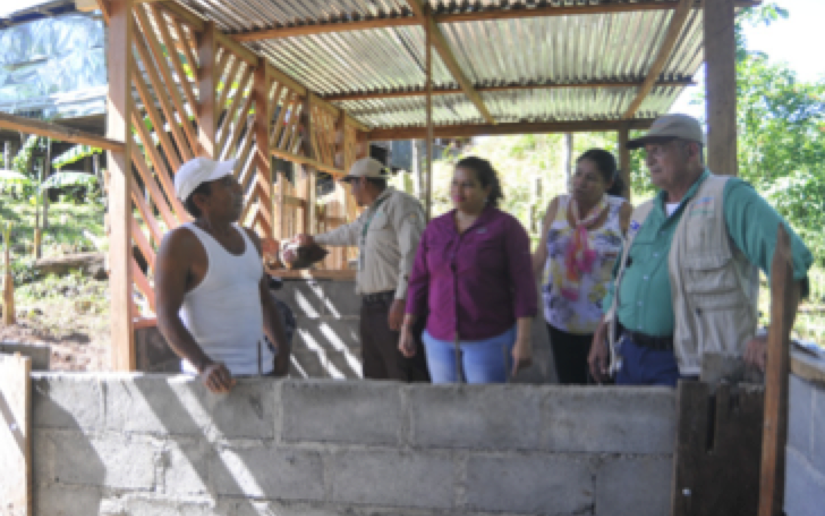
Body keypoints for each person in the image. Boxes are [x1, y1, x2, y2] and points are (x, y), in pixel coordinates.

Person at [588, 114, 813, 387]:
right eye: (647, 153)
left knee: (684, 431)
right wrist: (602, 332)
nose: (648, 161)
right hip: (630, 356)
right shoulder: (643, 213)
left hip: (692, 366)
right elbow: (618, 279)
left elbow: (791, 265)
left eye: (658, 151)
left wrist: (775, 335)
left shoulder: (728, 196)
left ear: (691, 151)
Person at [155, 157, 290, 394]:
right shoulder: (181, 243)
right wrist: (204, 366)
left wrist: (281, 349)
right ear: (201, 200)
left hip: (262, 369)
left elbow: (265, 301)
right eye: (227, 184)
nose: (239, 189)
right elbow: (166, 315)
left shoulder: (250, 238)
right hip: (216, 381)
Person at [399, 156, 537, 383]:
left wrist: (523, 339)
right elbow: (418, 280)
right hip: (438, 338)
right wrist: (407, 326)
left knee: (485, 410)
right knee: (445, 407)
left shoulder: (505, 227)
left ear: (487, 190)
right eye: (454, 183)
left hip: (489, 338)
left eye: (468, 184)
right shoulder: (436, 228)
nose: (458, 190)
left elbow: (524, 286)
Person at [292, 157, 430, 382]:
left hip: (393, 302)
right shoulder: (372, 213)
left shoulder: (401, 204)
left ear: (363, 181)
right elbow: (349, 232)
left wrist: (402, 299)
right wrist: (313, 239)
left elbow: (413, 255)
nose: (352, 191)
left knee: (403, 373)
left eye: (352, 185)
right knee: (375, 373)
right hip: (371, 306)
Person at [532, 149, 632, 384]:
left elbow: (632, 264)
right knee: (569, 383)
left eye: (590, 178)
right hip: (559, 316)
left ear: (608, 182)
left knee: (603, 381)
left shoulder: (622, 212)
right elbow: (540, 255)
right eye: (578, 174)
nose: (580, 182)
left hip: (602, 320)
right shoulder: (557, 205)